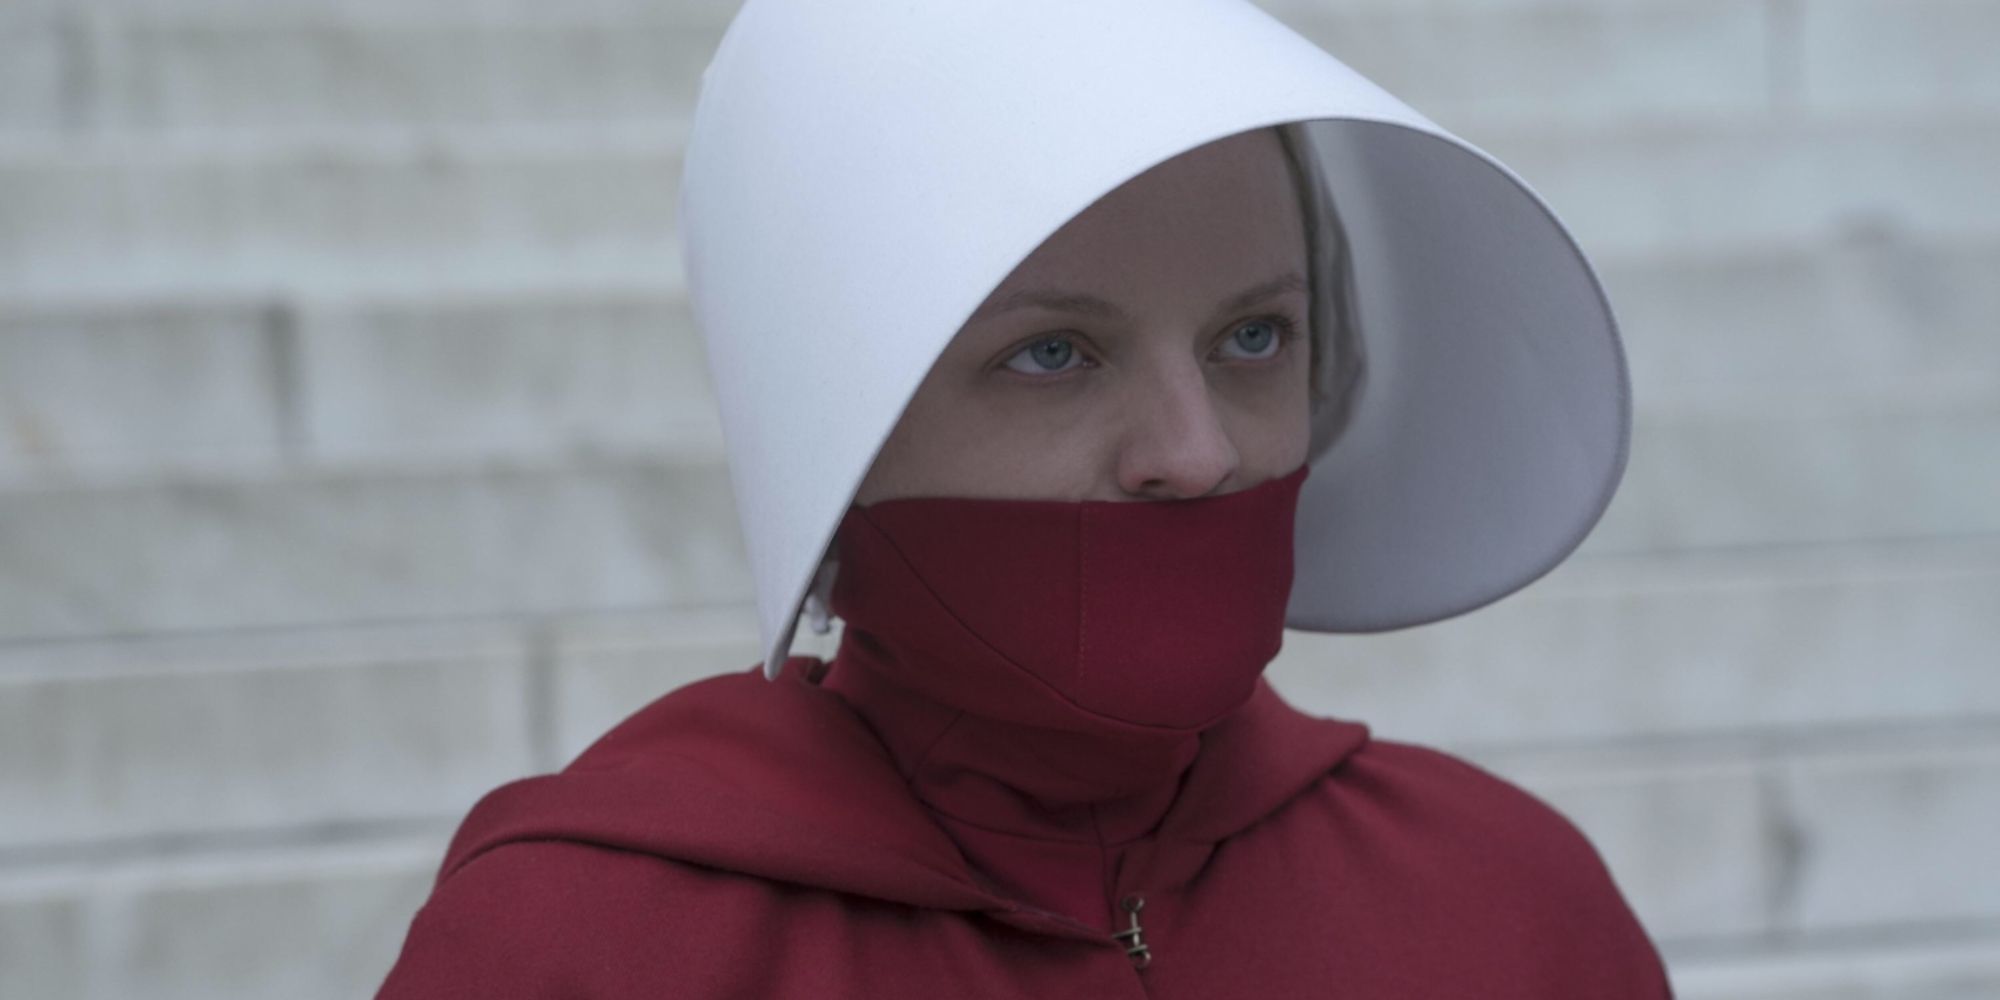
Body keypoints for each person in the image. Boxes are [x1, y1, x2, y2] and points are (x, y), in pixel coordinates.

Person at [377, 0, 1669, 996]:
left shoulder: (1510, 906)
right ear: (839, 433)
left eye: (1256, 337)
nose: (1196, 449)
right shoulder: (578, 953)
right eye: (1052, 354)